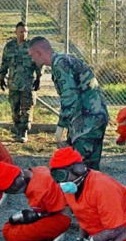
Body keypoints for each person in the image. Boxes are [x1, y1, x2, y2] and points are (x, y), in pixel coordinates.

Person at [28, 36, 109, 170]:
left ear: (38, 53)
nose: (32, 59)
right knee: (91, 169)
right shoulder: (63, 59)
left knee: (79, 168)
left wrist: (60, 127)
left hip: (88, 120)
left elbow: (69, 97)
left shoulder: (59, 64)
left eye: (32, 55)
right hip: (95, 116)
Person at [0, 161, 72, 241]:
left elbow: (52, 211)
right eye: (9, 190)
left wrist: (32, 217)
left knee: (13, 238)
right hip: (48, 212)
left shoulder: (39, 190)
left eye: (13, 186)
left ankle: (54, 234)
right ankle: (46, 235)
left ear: (19, 174)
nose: (14, 189)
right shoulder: (35, 172)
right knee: (7, 228)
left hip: (59, 217)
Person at [0, 21, 41, 143]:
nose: (23, 34)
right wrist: (2, 77)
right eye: (21, 32)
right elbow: (5, 62)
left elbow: (38, 64)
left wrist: (39, 78)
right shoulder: (9, 47)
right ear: (16, 33)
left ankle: (24, 131)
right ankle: (18, 129)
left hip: (27, 84)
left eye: (25, 32)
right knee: (14, 108)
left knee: (27, 108)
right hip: (13, 83)